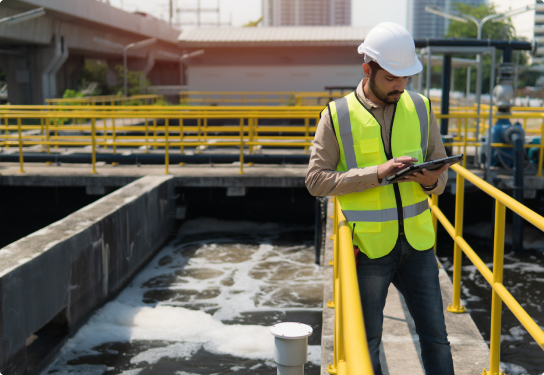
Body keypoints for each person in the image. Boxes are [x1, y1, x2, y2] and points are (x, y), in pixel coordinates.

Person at [305, 22, 454, 375]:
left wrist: (433, 180)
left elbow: (443, 175)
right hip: (369, 249)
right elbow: (315, 181)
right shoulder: (336, 115)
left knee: (437, 338)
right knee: (366, 342)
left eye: (405, 79)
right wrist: (377, 173)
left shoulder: (420, 107)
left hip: (418, 246)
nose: (400, 87)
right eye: (391, 79)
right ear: (367, 69)